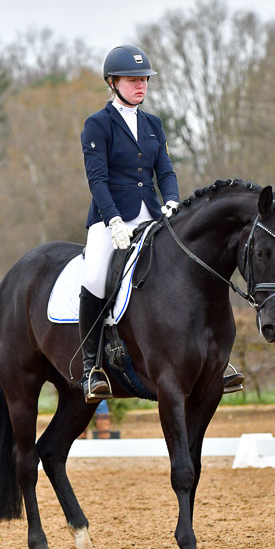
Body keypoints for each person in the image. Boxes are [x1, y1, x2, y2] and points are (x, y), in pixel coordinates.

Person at [79, 44, 180, 402]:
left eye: (144, 80)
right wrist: (113, 221)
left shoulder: (153, 124)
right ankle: (91, 366)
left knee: (184, 270)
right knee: (94, 277)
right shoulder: (98, 124)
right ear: (113, 82)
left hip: (151, 215)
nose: (141, 86)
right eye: (133, 80)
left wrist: (171, 200)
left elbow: (164, 171)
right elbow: (98, 180)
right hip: (111, 219)